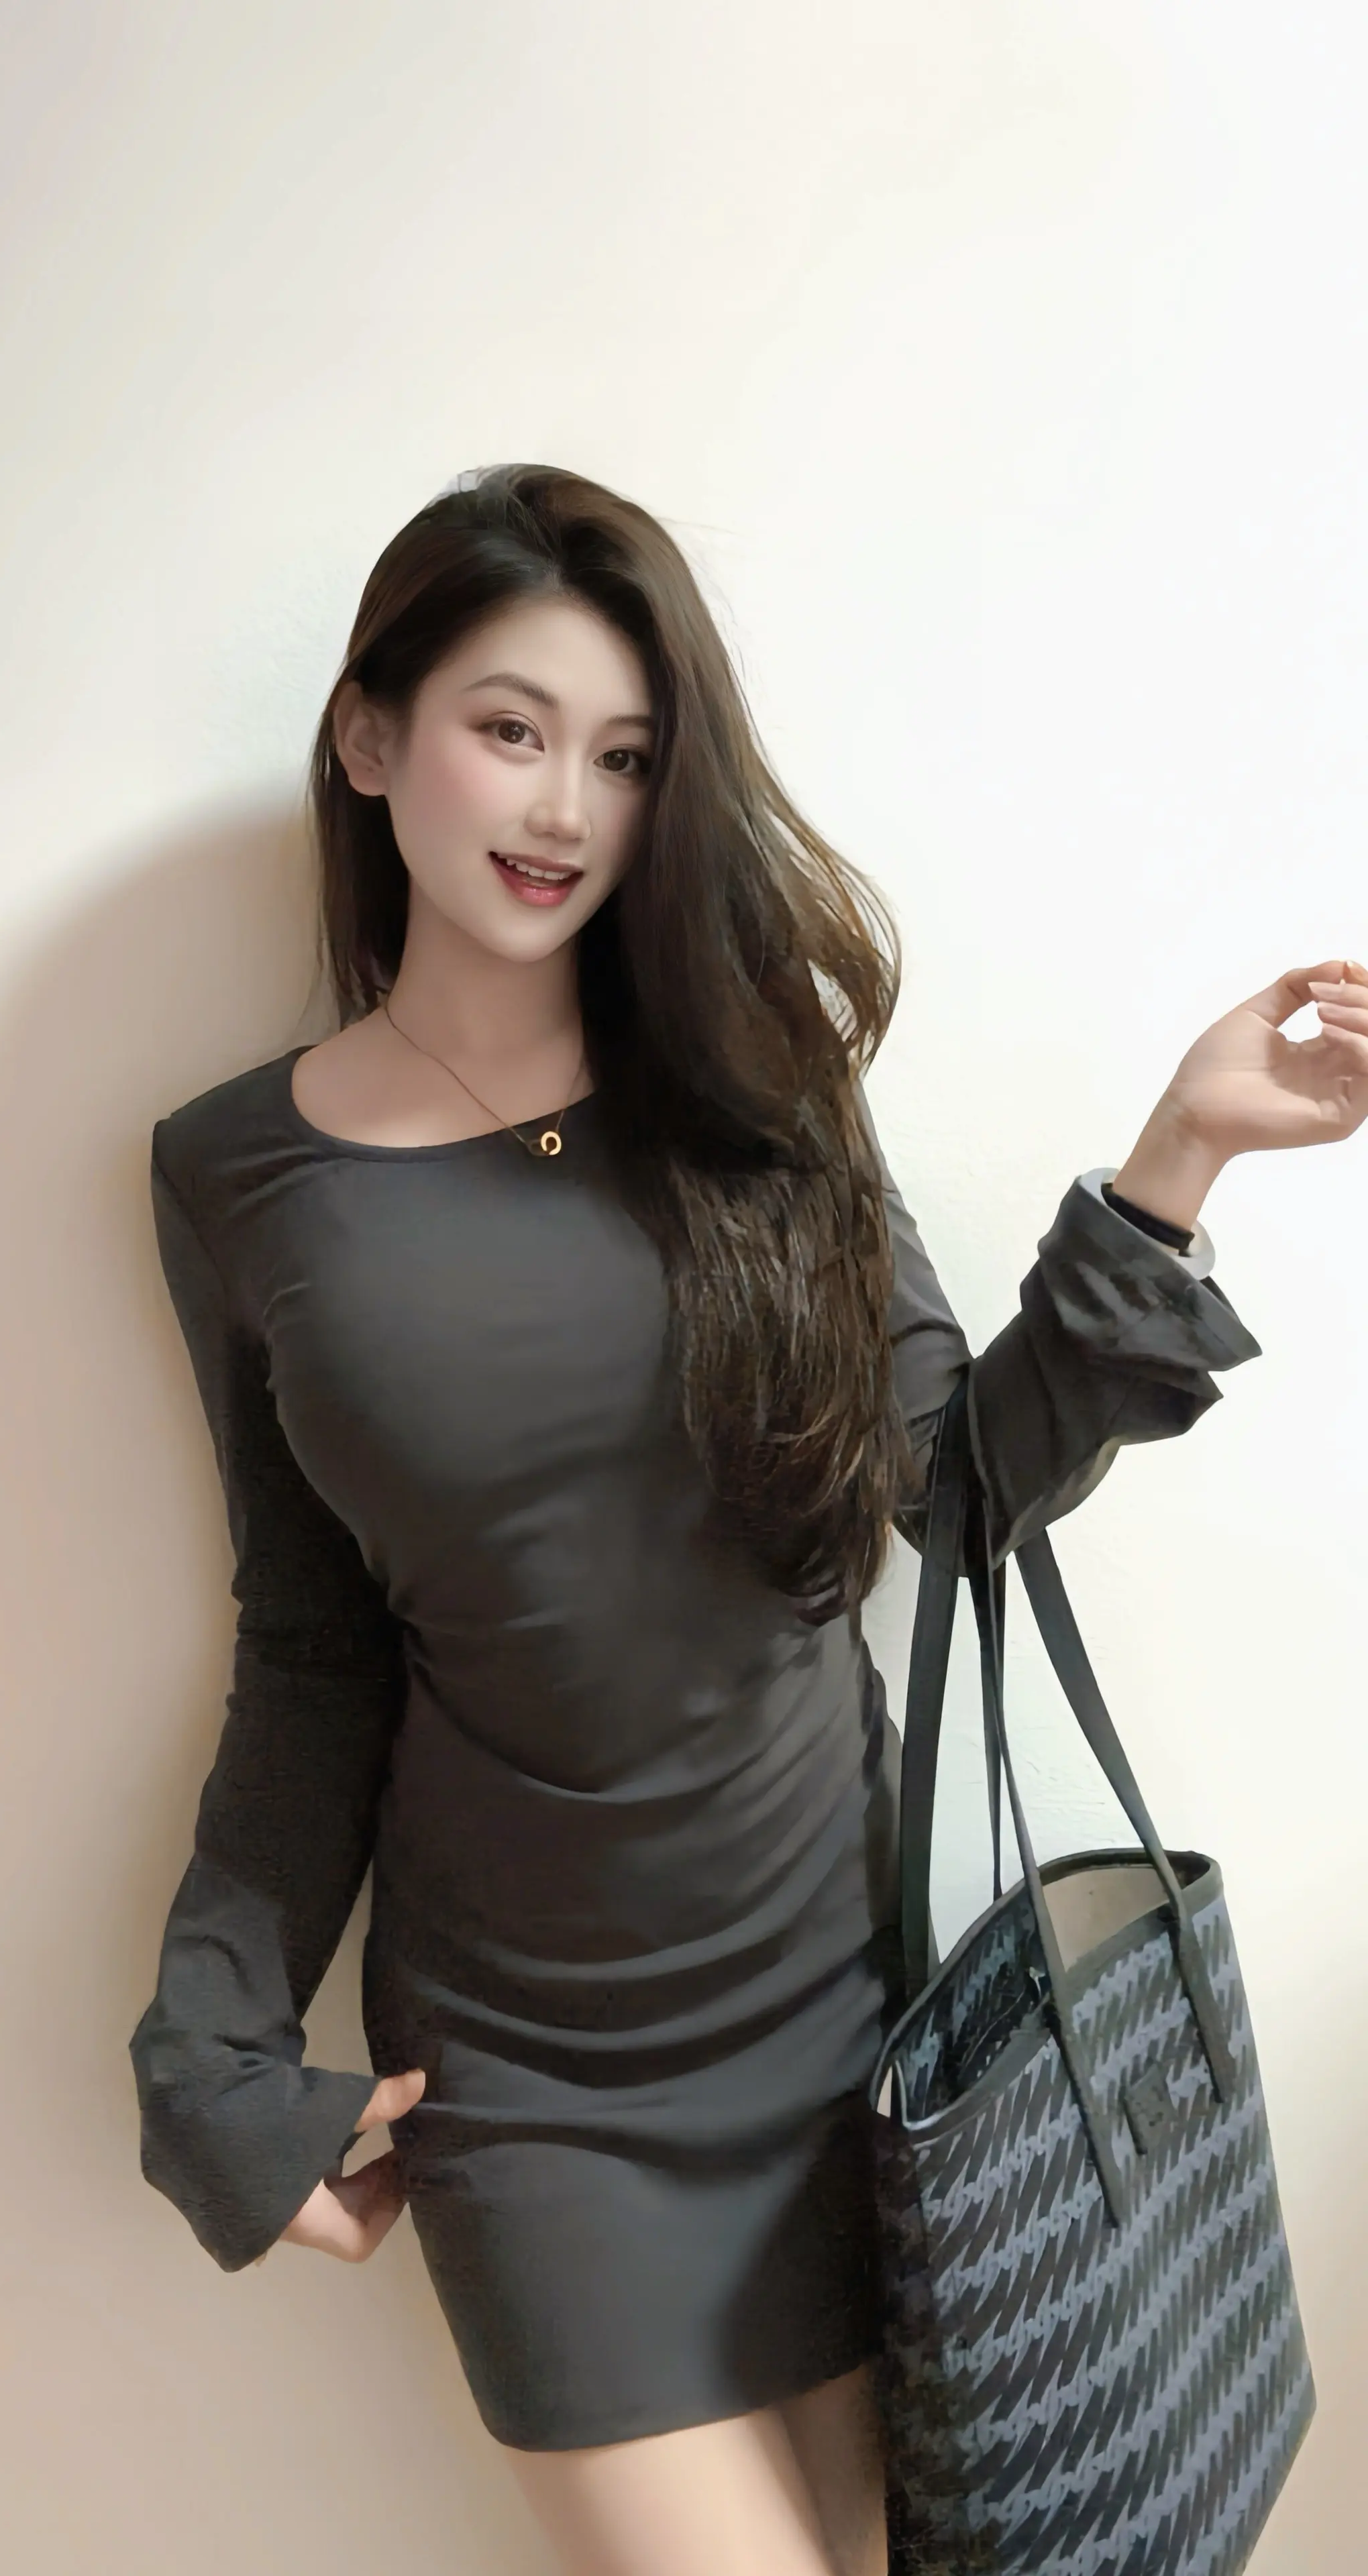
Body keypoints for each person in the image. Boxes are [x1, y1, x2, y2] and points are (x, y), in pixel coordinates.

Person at [128, 463, 1366, 2576]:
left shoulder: (758, 1091)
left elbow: (959, 1488)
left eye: (625, 756)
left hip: (854, 2041)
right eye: (509, 727)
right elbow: (315, 1648)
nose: (565, 807)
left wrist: (1177, 1160)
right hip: (533, 2092)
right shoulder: (237, 1178)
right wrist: (215, 2050)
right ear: (370, 737)